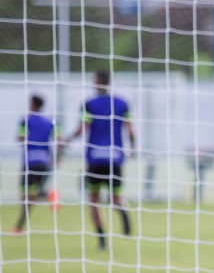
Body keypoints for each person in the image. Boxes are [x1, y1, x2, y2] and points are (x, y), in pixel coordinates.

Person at [64, 70, 136, 250]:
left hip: (95, 158)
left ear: (97, 82)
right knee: (115, 198)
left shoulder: (89, 104)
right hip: (115, 158)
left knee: (94, 200)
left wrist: (68, 139)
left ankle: (102, 240)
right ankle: (123, 213)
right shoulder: (121, 103)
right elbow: (130, 129)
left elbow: (83, 128)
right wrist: (133, 147)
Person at [11, 94, 60, 234]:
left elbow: (20, 137)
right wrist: (57, 157)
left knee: (25, 195)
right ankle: (47, 195)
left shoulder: (26, 121)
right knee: (32, 194)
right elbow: (59, 139)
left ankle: (19, 226)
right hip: (45, 161)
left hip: (30, 161)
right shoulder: (50, 122)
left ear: (32, 104)